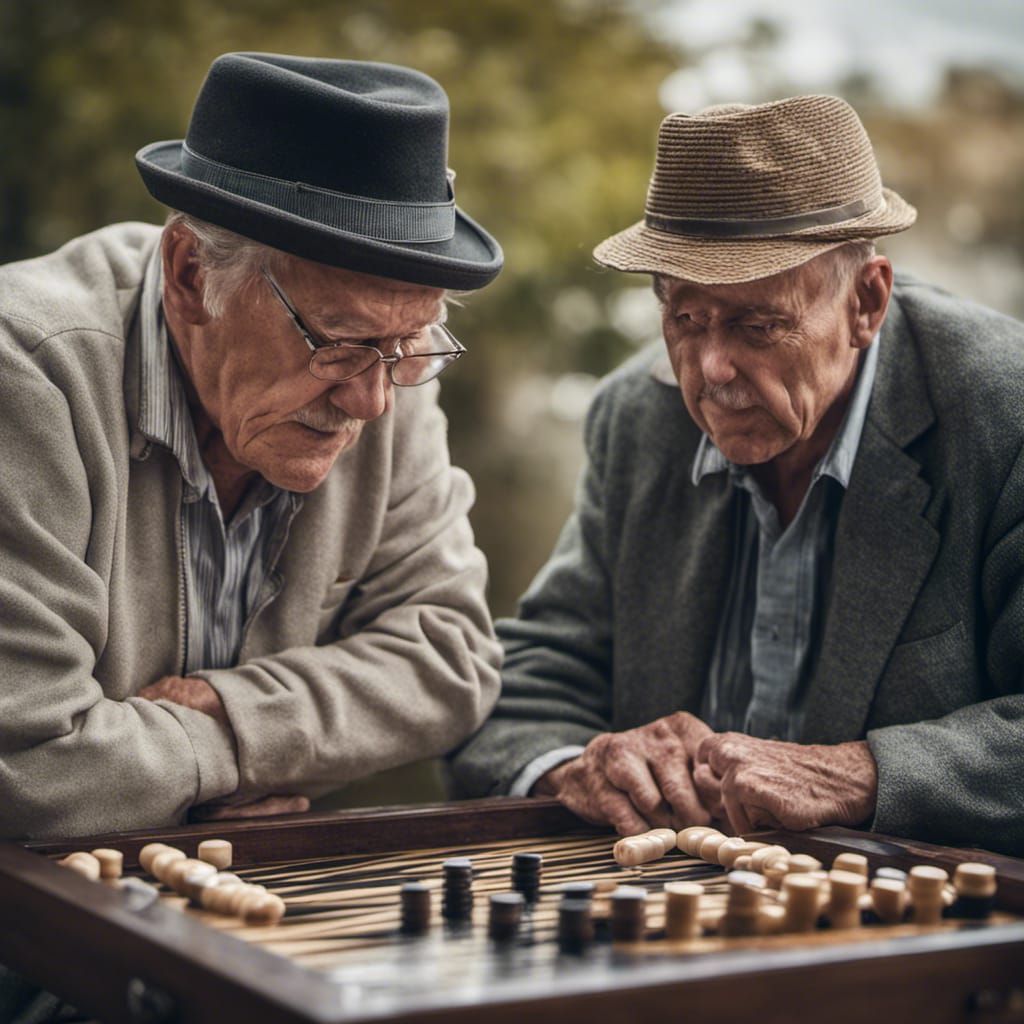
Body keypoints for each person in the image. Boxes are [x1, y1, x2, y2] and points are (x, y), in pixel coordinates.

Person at [450, 95, 1024, 855]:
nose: (710, 369)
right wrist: (576, 766)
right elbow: (530, 681)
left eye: (758, 325)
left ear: (867, 301)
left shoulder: (1001, 415)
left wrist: (864, 774)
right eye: (685, 319)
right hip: (673, 923)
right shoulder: (638, 416)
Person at [0, 52, 505, 840]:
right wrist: (250, 753)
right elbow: (27, 760)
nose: (370, 401)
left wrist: (235, 727)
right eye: (336, 343)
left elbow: (451, 660)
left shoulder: (391, 373)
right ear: (192, 273)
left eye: (408, 343)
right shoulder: (26, 378)